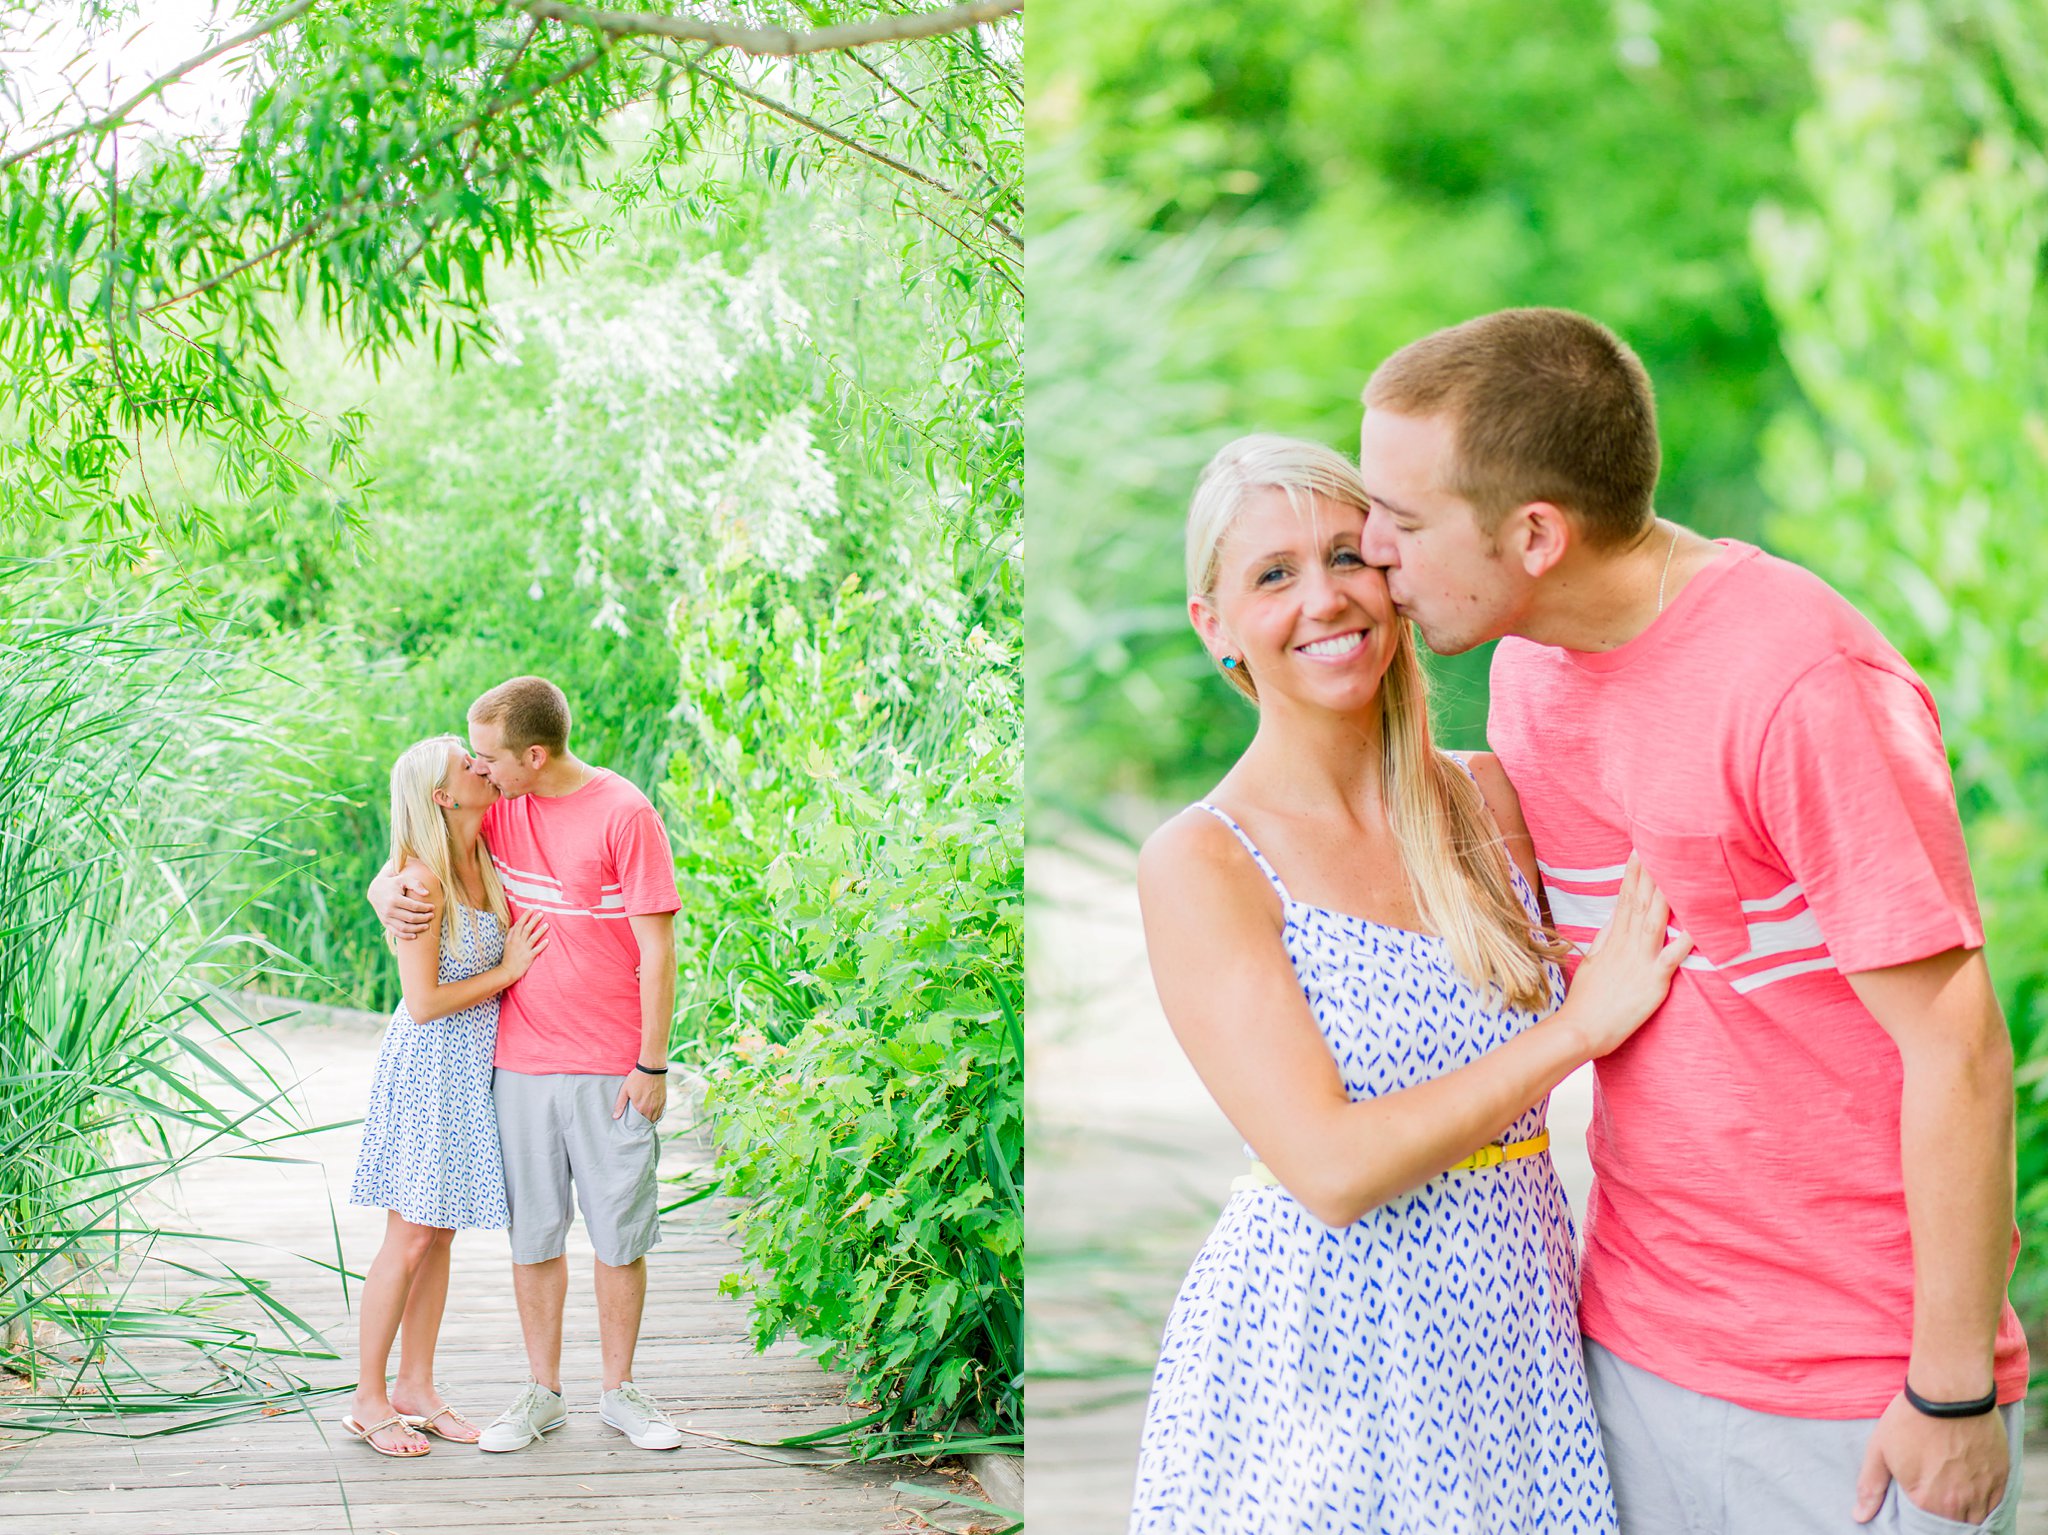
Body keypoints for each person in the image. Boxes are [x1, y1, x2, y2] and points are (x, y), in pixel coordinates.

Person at [1356, 307, 2027, 1533]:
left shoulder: (1802, 687)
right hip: (1625, 1347)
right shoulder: (1527, 671)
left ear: (1535, 534)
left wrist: (1948, 1390)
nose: (1368, 545)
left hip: (1852, 1383)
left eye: (1400, 520)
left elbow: (1959, 1048)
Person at [1128, 435, 1693, 1534]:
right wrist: (1572, 1030)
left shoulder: (1488, 799)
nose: (1324, 596)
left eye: (1347, 554)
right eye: (1272, 573)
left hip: (1512, 1338)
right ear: (1214, 627)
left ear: (1393, 574)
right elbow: (1331, 1168)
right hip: (1318, 1359)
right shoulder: (1203, 859)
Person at [371, 676, 684, 1454]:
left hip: (614, 1064)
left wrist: (652, 1063)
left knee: (618, 1235)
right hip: (517, 1063)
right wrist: (385, 889)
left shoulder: (623, 813)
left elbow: (658, 948)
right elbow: (418, 843)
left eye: (488, 758)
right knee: (533, 1237)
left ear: (530, 757)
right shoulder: (497, 807)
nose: (480, 767)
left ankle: (621, 1393)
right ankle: (542, 1393)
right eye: (473, 761)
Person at [343, 735, 550, 1457]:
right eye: (468, 762)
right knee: (408, 1237)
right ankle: (368, 1398)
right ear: (440, 793)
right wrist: (511, 968)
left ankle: (417, 1387)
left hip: (468, 1073)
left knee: (439, 1234)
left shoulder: (483, 849)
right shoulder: (421, 879)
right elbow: (424, 1001)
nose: (482, 765)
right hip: (429, 1066)